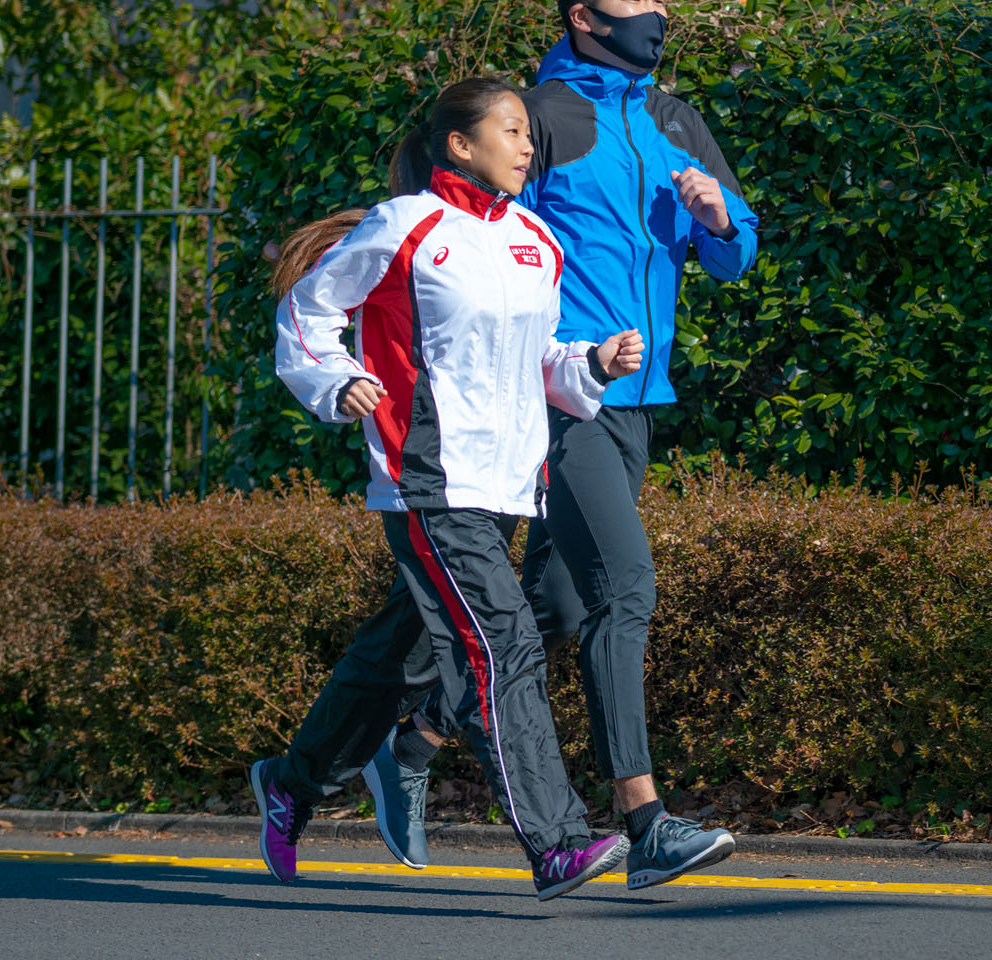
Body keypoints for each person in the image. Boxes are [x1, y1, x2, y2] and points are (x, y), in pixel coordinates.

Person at [362, 0, 761, 890]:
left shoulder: (675, 119)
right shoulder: (537, 117)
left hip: (639, 398)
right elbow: (484, 236)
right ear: (584, 16)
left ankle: (412, 740)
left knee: (558, 607)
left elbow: (737, 255)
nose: (656, 12)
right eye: (635, 0)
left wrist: (719, 217)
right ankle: (646, 820)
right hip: (564, 396)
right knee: (626, 585)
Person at [253, 76, 648, 901]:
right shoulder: (406, 225)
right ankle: (558, 842)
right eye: (512, 130)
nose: (528, 143)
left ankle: (296, 781)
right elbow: (306, 312)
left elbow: (535, 365)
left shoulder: (537, 242)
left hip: (505, 485)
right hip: (428, 478)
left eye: (529, 132)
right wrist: (336, 378)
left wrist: (591, 365)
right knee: (500, 648)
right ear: (462, 145)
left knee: (402, 650)